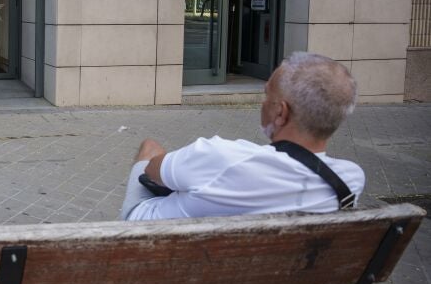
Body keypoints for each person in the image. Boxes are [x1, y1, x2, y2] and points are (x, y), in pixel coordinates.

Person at [121, 52, 365, 221]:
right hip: (268, 273)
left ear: (281, 113)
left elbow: (151, 171)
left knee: (150, 147)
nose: (263, 103)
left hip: (156, 242)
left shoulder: (222, 156)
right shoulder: (350, 181)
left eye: (267, 96)